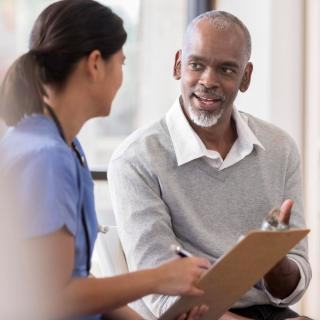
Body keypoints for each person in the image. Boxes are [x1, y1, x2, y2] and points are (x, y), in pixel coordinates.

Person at [0, 1, 212, 319]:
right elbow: (54, 297)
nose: (121, 78)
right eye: (122, 63)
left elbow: (76, 282)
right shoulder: (47, 158)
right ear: (96, 63)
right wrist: (159, 278)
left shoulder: (60, 146)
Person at [108, 10, 312, 320]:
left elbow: (294, 284)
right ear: (178, 64)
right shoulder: (136, 159)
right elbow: (162, 294)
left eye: (227, 70)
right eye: (196, 65)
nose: (208, 81)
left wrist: (273, 262)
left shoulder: (279, 148)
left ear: (246, 77)